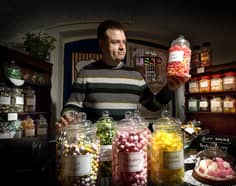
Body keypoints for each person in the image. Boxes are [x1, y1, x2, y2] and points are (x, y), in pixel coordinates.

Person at [56, 19, 186, 129]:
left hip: (128, 144)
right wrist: (69, 116)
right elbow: (73, 105)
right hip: (98, 146)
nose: (122, 47)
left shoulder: (135, 76)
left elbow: (152, 105)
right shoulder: (86, 73)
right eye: (115, 42)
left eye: (124, 41)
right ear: (102, 45)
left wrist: (169, 88)